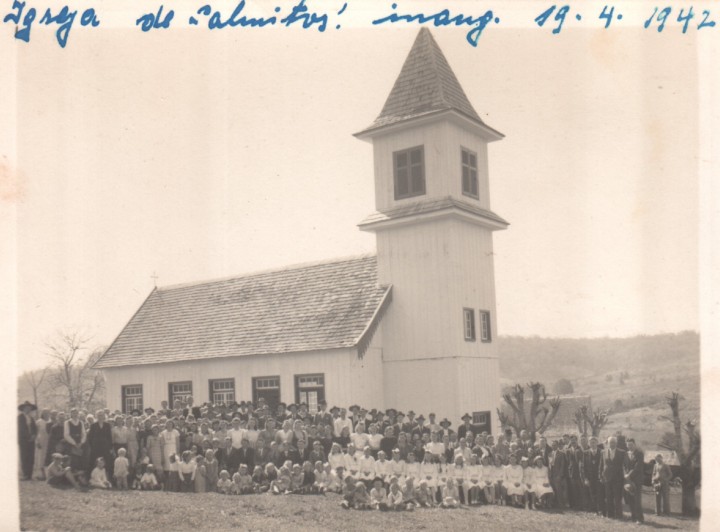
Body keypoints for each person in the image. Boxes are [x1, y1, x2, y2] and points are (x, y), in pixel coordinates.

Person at [599, 436, 628, 520]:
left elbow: (626, 465)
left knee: (617, 497)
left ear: (616, 443)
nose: (612, 444)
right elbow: (601, 465)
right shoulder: (603, 452)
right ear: (608, 443)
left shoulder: (622, 452)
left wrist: (626, 476)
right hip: (607, 478)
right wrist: (600, 476)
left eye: (614, 442)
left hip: (618, 478)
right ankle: (610, 514)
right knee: (608, 497)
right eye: (610, 442)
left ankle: (619, 515)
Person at [87, 411, 113, 481]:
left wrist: (110, 447)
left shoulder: (107, 425)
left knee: (106, 462)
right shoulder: (93, 425)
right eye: (99, 415)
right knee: (94, 461)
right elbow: (90, 437)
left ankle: (106, 479)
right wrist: (92, 446)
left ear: (104, 416)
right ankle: (93, 478)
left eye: (101, 415)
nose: (100, 417)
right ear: (96, 416)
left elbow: (109, 437)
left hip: (105, 447)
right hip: (96, 447)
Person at [581, 435, 604, 515]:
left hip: (599, 477)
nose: (592, 444)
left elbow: (603, 465)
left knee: (600, 493)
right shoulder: (585, 453)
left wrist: (602, 476)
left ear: (597, 443)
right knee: (592, 493)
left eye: (594, 443)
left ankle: (601, 509)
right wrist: (586, 479)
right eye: (591, 443)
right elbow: (584, 467)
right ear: (589, 444)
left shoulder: (602, 452)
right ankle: (595, 510)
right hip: (590, 477)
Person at [624, 439, 644, 523]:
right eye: (628, 445)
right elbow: (624, 466)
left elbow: (638, 467)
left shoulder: (639, 454)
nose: (629, 446)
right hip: (628, 479)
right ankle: (633, 517)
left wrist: (629, 475)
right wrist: (625, 474)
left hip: (636, 479)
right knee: (630, 499)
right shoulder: (626, 454)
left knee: (637, 499)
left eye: (631, 444)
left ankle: (640, 518)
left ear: (634, 445)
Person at [18, 401, 38, 480]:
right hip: (23, 440)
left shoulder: (31, 418)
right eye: (26, 408)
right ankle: (25, 474)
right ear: (23, 409)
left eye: (29, 408)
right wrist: (29, 436)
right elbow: (21, 429)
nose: (28, 410)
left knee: (31, 457)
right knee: (24, 456)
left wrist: (34, 436)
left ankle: (30, 474)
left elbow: (35, 428)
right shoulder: (20, 417)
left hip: (31, 440)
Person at [32, 409, 51, 480]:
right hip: (41, 440)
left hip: (48, 441)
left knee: (46, 457)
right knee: (40, 457)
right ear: (42, 414)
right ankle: (40, 474)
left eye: (47, 413)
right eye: (44, 413)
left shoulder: (50, 421)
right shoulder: (39, 422)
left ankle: (47, 474)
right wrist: (37, 441)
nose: (46, 414)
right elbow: (36, 432)